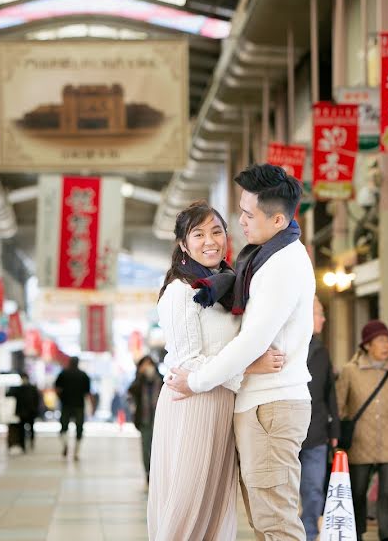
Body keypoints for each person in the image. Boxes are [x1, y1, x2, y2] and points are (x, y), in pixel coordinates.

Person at [166, 164, 315, 540]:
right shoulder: (260, 258)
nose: (241, 221)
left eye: (248, 214)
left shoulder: (280, 264)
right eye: (241, 211)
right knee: (264, 520)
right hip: (257, 404)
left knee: (276, 522)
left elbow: (252, 341)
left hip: (272, 405)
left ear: (278, 218)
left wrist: (197, 380)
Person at [148, 200, 285, 539]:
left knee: (215, 505)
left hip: (223, 400)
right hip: (192, 403)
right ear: (183, 244)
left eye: (217, 231)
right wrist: (251, 367)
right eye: (198, 234)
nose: (210, 241)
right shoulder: (180, 292)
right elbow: (187, 361)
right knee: (187, 504)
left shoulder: (226, 285)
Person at [336, 320, 388, 541]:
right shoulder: (350, 371)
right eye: (381, 340)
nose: (386, 345)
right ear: (368, 344)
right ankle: (357, 532)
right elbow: (340, 405)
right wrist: (339, 435)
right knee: (358, 491)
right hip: (360, 441)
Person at [300, 296, 340, 541]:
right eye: (319, 313)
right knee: (286, 492)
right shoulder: (284, 345)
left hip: (316, 434)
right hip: (287, 432)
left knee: (314, 489)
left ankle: (309, 534)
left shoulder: (321, 351)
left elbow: (330, 393)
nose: (323, 319)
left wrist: (334, 430)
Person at [127, 355, 163, 485]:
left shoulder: (160, 379)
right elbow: (130, 394)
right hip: (145, 419)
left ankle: (158, 472)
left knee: (159, 448)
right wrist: (140, 376)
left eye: (150, 364)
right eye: (145, 364)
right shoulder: (138, 381)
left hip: (160, 420)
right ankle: (148, 472)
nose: (148, 367)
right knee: (146, 447)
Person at [55, 356, 91, 460]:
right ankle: (76, 451)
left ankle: (65, 445)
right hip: (79, 405)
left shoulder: (63, 374)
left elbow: (57, 389)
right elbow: (87, 393)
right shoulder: (83, 375)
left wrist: (61, 398)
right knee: (79, 428)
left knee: (63, 427)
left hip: (66, 404)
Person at [6, 372, 41, 452]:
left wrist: (36, 410)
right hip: (22, 413)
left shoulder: (31, 388)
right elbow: (8, 394)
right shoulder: (19, 388)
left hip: (30, 412)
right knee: (22, 430)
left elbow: (36, 400)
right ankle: (23, 445)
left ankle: (31, 442)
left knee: (30, 428)